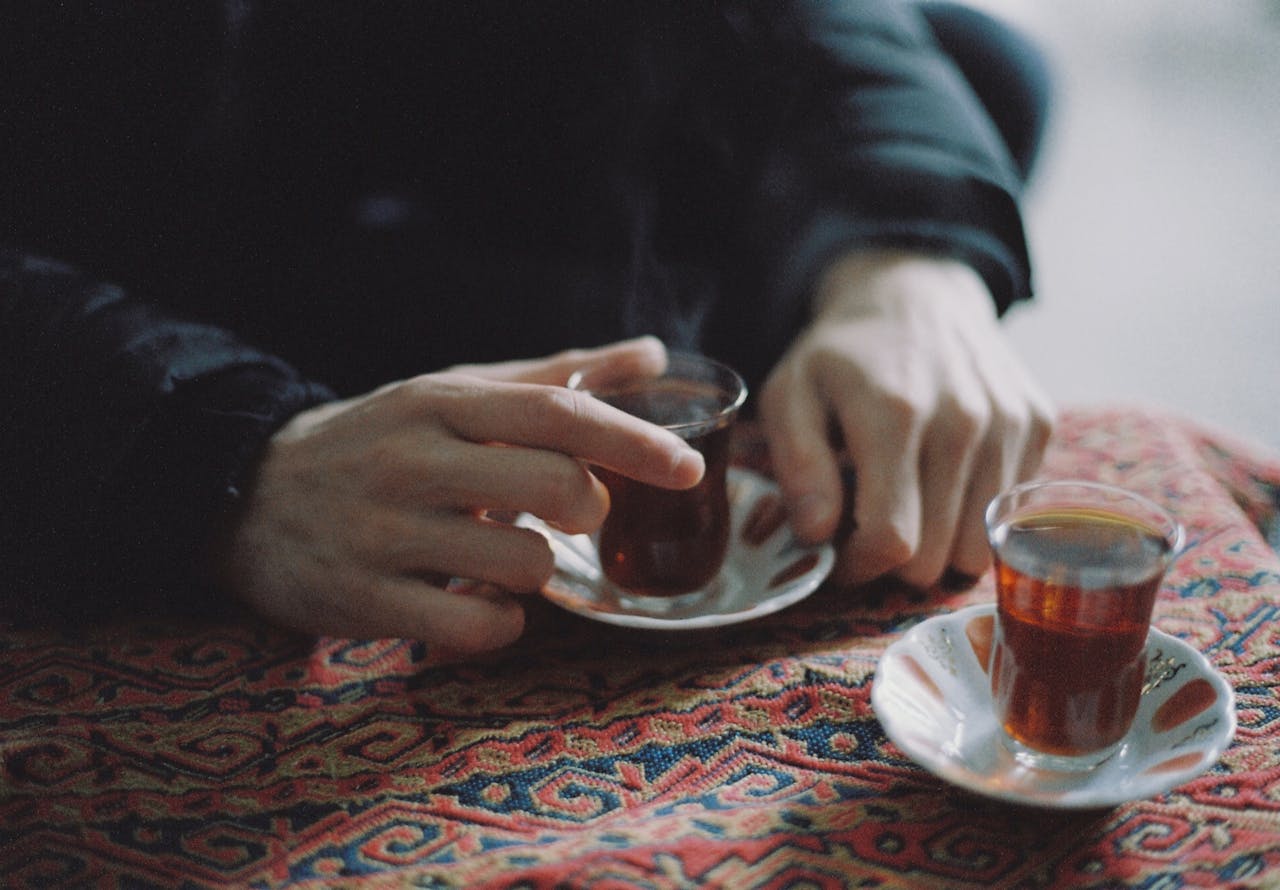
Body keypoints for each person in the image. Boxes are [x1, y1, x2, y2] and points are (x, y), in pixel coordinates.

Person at [0, 2, 1054, 654]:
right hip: (120, 241)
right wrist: (220, 455)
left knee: (986, 67)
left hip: (434, 152)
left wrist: (903, 253)